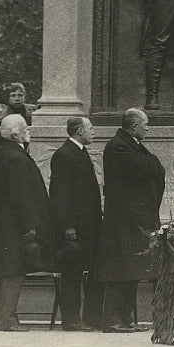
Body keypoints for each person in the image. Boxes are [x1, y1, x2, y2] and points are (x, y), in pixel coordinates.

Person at [97, 108, 165, 333]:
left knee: (131, 269)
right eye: (145, 124)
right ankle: (113, 319)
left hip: (132, 219)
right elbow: (144, 168)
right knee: (120, 270)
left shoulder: (130, 144)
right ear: (134, 126)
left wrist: (152, 163)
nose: (148, 128)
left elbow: (151, 168)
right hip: (123, 220)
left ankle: (125, 318)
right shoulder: (118, 146)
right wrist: (153, 161)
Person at [0, 114, 55, 332]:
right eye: (26, 128)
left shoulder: (5, 153)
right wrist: (30, 226)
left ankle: (8, 318)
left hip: (8, 224)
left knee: (9, 271)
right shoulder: (16, 157)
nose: (29, 131)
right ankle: (4, 320)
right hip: (17, 227)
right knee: (13, 272)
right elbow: (21, 196)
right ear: (16, 133)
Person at [49, 116, 103, 332]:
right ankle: (71, 319)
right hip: (76, 228)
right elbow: (60, 194)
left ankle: (88, 318)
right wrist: (68, 226)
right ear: (80, 130)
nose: (94, 132)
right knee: (72, 274)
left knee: (85, 271)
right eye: (90, 128)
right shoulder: (64, 154)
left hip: (88, 225)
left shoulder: (79, 152)